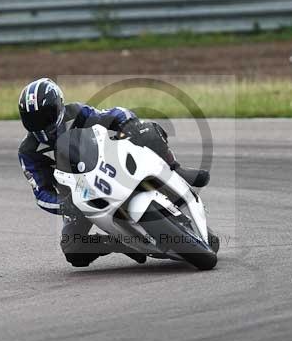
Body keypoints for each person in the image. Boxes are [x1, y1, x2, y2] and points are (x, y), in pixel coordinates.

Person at [17, 77, 210, 267]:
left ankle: (176, 169)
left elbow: (111, 115)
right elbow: (41, 193)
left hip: (104, 163)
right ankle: (122, 244)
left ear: (60, 106)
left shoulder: (76, 112)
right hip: (77, 194)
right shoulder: (27, 152)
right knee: (73, 249)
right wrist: (63, 205)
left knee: (146, 130)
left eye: (45, 116)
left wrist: (128, 123)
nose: (40, 124)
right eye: (32, 120)